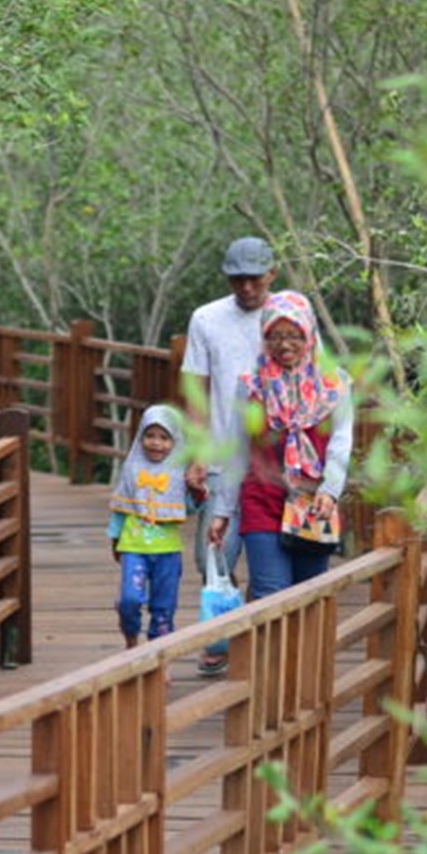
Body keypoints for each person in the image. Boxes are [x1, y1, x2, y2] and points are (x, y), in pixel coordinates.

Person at [203, 291, 352, 670]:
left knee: (309, 598)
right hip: (261, 500)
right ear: (264, 338)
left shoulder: (335, 384)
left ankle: (303, 688)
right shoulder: (251, 384)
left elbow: (340, 444)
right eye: (275, 335)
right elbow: (237, 451)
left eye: (294, 335)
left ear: (309, 335)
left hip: (313, 504)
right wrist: (222, 511)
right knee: (270, 596)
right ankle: (269, 691)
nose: (285, 345)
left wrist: (331, 492)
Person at [184, 237, 277, 676]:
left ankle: (239, 639)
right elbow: (196, 389)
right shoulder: (206, 318)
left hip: (272, 463)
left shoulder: (289, 315)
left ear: (271, 274)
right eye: (237, 278)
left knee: (268, 557)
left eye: (254, 278)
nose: (245, 287)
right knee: (211, 557)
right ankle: (230, 625)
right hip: (222, 457)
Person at [107, 405, 202, 648]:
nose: (156, 443)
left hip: (167, 550)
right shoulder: (132, 468)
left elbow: (190, 508)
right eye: (150, 436)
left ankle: (160, 658)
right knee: (130, 599)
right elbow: (121, 508)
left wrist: (196, 491)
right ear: (141, 436)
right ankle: (130, 637)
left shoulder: (179, 472)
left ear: (175, 441)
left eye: (164, 437)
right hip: (134, 546)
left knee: (163, 607)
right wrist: (115, 540)